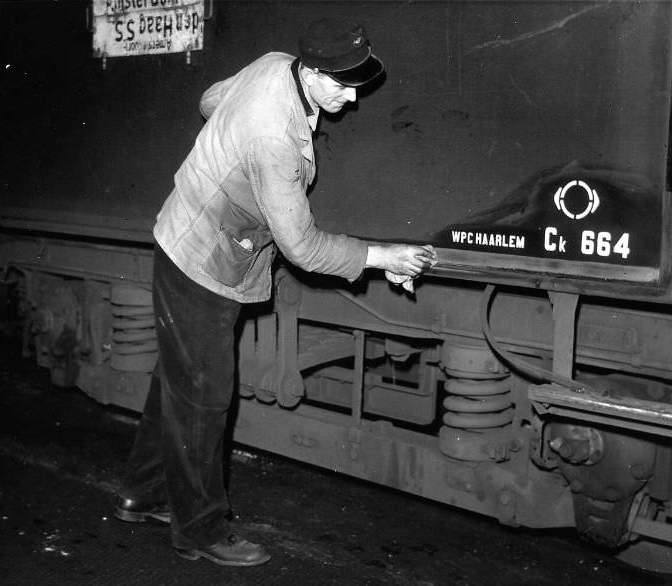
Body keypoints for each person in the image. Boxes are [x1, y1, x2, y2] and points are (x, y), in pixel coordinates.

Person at [113, 18, 437, 567]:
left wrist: (231, 147)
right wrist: (383, 256)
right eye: (339, 83)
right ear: (308, 71)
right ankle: (199, 530)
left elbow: (210, 98)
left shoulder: (271, 64)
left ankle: (141, 495)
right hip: (200, 257)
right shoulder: (273, 137)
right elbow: (303, 249)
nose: (352, 96)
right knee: (206, 395)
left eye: (358, 81)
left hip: (196, 236)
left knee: (179, 381)